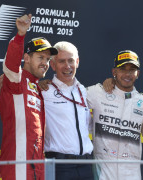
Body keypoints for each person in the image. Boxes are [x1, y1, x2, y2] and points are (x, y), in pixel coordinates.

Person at [0, 14, 58, 180]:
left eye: (47, 59)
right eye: (40, 57)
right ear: (27, 58)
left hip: (37, 167)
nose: (45, 63)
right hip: (16, 167)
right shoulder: (16, 79)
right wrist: (20, 35)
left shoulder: (38, 87)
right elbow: (11, 64)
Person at [86, 50, 143, 180]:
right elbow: (71, 97)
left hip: (131, 173)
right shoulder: (98, 92)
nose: (127, 74)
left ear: (138, 74)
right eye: (123, 69)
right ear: (114, 72)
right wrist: (45, 86)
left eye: (132, 70)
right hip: (103, 172)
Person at [41, 41, 94, 180]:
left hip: (87, 164)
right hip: (59, 165)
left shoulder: (84, 90)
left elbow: (88, 125)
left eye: (71, 60)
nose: (67, 66)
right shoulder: (44, 91)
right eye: (61, 61)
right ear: (52, 65)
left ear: (77, 62)